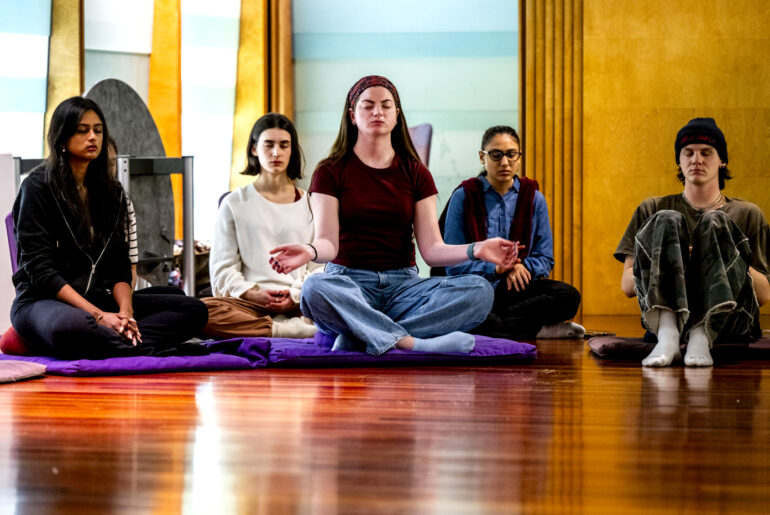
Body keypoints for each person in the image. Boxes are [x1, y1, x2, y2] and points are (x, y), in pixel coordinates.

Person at [269, 75, 517, 355]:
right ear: (352, 115)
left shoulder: (416, 173)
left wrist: (478, 249)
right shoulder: (330, 171)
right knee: (315, 288)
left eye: (386, 106)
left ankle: (360, 333)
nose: (378, 112)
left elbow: (432, 251)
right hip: (349, 284)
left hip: (403, 287)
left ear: (396, 115)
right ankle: (410, 343)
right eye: (368, 105)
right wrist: (308, 250)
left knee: (479, 291)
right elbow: (328, 245)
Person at [10, 96, 208, 359]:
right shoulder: (36, 188)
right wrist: (99, 316)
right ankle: (147, 346)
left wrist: (125, 313)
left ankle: (117, 341)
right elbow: (41, 272)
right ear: (61, 137)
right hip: (44, 303)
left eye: (98, 130)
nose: (93, 137)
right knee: (75, 326)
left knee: (193, 310)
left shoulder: (112, 192)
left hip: (100, 300)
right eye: (82, 130)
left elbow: (119, 267)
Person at [615, 118, 770, 367]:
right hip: (668, 318)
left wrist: (720, 258)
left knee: (715, 221)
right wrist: (671, 262)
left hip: (730, 320)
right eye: (688, 153)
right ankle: (668, 333)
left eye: (706, 152)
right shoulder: (652, 208)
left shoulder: (748, 213)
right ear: (679, 160)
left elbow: (763, 294)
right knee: (666, 218)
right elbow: (627, 285)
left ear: (722, 160)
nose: (696, 160)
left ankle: (701, 335)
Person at [439, 125, 583, 340]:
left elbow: (545, 258)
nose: (504, 162)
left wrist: (519, 267)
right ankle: (535, 329)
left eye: (511, 154)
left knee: (568, 296)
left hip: (516, 288)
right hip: (475, 288)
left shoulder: (534, 197)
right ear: (482, 157)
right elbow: (452, 263)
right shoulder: (464, 196)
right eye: (496, 155)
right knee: (456, 307)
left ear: (519, 156)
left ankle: (496, 326)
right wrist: (497, 269)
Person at [202, 113, 320, 339]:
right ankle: (290, 331)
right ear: (254, 149)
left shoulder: (312, 203)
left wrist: (295, 295)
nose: (276, 153)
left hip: (301, 301)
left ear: (292, 150)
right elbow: (222, 269)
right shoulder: (234, 203)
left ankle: (276, 328)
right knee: (202, 311)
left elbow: (320, 266)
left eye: (284, 145)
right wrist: (252, 293)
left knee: (342, 297)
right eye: (269, 145)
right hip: (250, 305)